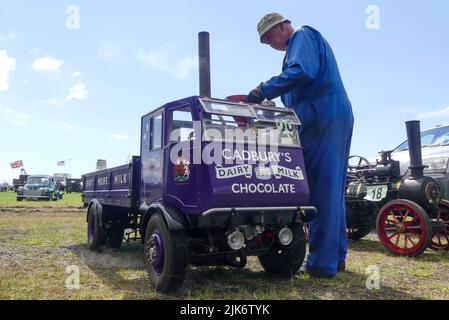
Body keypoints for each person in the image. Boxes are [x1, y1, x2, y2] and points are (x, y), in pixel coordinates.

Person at [247, 12, 354, 278]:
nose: (270, 43)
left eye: (270, 37)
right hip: (327, 115)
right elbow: (297, 85)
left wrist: (264, 89)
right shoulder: (296, 47)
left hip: (323, 115)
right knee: (332, 191)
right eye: (265, 41)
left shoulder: (302, 36)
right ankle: (335, 258)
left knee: (320, 191)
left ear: (282, 26)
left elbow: (302, 72)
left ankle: (321, 264)